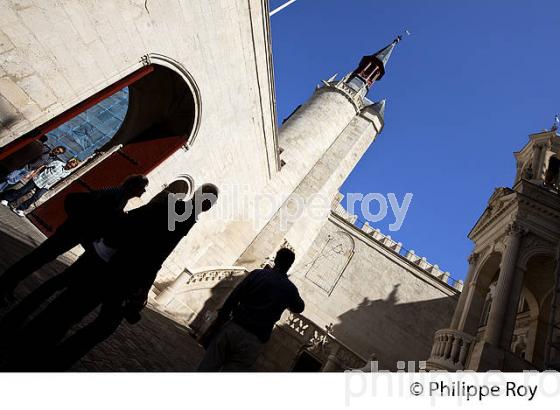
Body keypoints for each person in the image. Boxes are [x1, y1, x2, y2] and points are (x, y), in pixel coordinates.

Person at [0, 183, 219, 371]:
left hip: (112, 262)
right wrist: (143, 283)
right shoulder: (182, 213)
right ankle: (41, 355)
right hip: (120, 269)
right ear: (203, 200)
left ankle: (32, 345)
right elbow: (156, 250)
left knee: (73, 306)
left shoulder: (176, 207)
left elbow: (142, 229)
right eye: (208, 202)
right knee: (88, 315)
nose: (206, 207)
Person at [0, 174, 149, 302]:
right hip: (74, 231)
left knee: (41, 257)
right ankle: (5, 284)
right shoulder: (115, 195)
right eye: (142, 187)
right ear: (134, 187)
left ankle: (9, 284)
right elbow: (98, 216)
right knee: (39, 257)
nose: (144, 191)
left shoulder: (120, 196)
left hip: (75, 231)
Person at [197, 248, 305, 372]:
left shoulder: (257, 274)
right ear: (290, 265)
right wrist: (287, 298)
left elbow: (234, 296)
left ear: (276, 259)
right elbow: (299, 307)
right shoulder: (290, 289)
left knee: (207, 367)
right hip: (254, 340)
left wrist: (219, 321)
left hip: (234, 327)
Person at [1, 157, 80, 214]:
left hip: (46, 186)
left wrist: (52, 186)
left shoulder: (68, 173)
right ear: (69, 162)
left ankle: (20, 209)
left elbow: (59, 179)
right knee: (23, 191)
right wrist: (36, 174)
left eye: (73, 166)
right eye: (71, 164)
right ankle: (6, 199)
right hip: (38, 179)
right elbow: (44, 167)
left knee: (36, 197)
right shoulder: (58, 163)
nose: (71, 166)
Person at [0, 146, 66, 193]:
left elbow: (43, 165)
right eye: (57, 149)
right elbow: (33, 154)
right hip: (25, 166)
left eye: (59, 152)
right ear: (55, 147)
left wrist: (33, 173)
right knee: (9, 177)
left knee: (13, 180)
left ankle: (1, 189)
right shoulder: (46, 150)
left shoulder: (53, 159)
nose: (57, 152)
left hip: (29, 170)